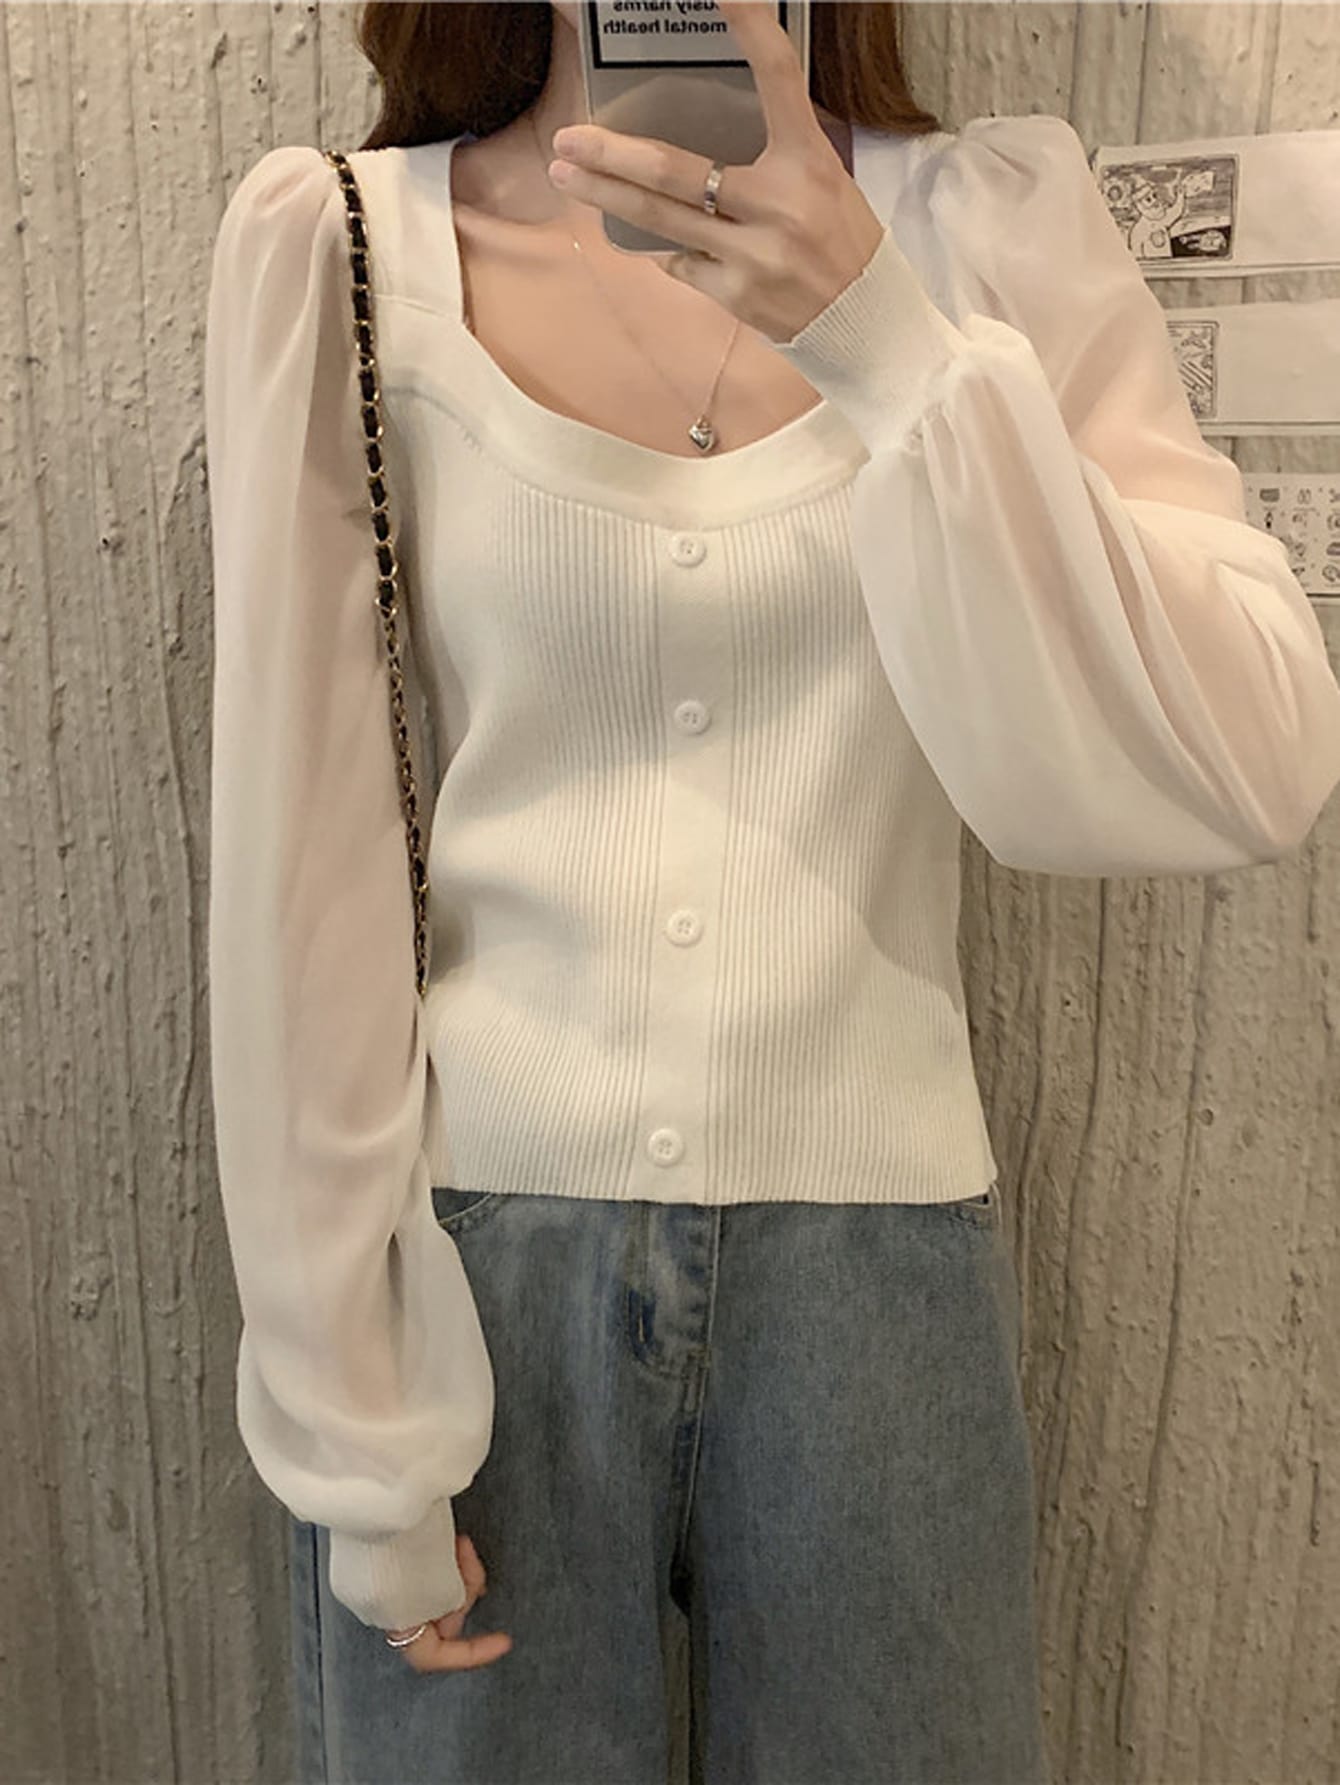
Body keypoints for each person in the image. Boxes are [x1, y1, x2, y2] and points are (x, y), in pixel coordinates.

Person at [203, 1, 1340, 1780]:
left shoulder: (986, 229)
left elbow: (1253, 752)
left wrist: (879, 329)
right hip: (484, 1287)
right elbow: (305, 868)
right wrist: (357, 1424)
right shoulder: (350, 250)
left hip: (879, 1291)